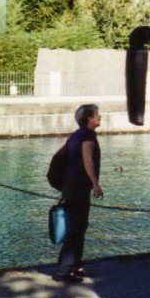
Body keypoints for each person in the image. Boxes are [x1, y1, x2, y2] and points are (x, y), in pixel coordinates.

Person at [54, 104, 104, 283]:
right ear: (90, 119)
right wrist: (95, 184)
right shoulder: (88, 135)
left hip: (70, 186)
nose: (100, 117)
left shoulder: (75, 135)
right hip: (79, 187)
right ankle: (65, 269)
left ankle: (74, 265)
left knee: (78, 226)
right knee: (77, 227)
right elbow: (87, 159)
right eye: (97, 114)